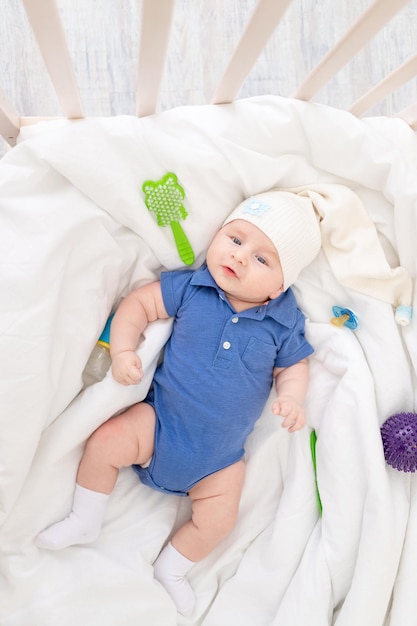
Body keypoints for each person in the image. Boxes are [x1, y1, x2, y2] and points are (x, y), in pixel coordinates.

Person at [36, 190, 322, 616]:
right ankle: (85, 517)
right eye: (236, 239)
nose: (241, 257)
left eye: (263, 259)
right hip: (160, 424)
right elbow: (137, 304)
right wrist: (123, 351)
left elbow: (294, 366)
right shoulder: (193, 287)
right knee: (107, 440)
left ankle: (172, 568)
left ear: (280, 285)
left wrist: (292, 398)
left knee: (221, 520)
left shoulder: (285, 322)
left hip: (219, 462)